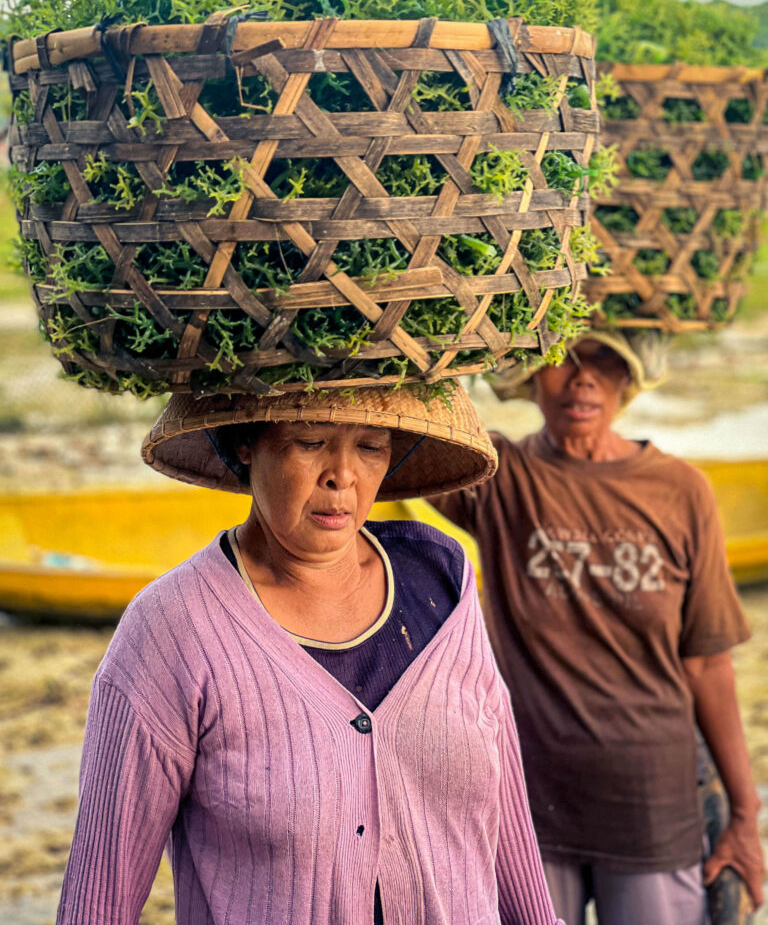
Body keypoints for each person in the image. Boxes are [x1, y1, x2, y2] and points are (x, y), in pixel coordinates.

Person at [56, 383, 565, 925]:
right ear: (246, 441)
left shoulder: (441, 579)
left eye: (370, 446)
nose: (342, 475)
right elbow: (98, 903)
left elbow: (505, 816)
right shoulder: (173, 629)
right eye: (310, 441)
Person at [429, 331, 765, 925]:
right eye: (563, 359)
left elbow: (708, 664)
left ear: (629, 379)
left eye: (607, 362)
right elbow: (413, 427)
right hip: (526, 803)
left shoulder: (680, 490)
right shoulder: (499, 476)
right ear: (530, 376)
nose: (583, 378)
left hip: (650, 805)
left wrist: (743, 816)